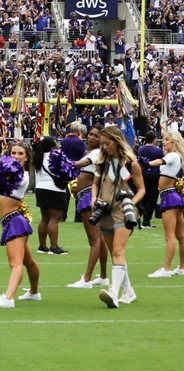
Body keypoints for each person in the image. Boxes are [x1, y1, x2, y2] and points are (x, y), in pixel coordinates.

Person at [93, 126, 145, 308]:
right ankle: (128, 290)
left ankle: (113, 293)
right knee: (115, 253)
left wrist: (131, 202)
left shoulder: (131, 163)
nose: (105, 147)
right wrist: (94, 198)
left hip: (124, 209)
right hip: (104, 208)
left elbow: (142, 189)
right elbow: (95, 183)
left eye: (107, 143)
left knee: (117, 250)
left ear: (117, 141)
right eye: (102, 144)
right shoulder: (101, 161)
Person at [0, 141, 41, 308]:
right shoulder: (11, 170)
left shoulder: (21, 175)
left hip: (14, 221)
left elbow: (6, 176)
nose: (16, 156)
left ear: (27, 157)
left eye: (20, 153)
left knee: (15, 263)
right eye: (13, 153)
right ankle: (34, 292)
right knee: (28, 262)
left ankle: (8, 298)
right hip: (12, 221)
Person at [67, 124, 110, 288]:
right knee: (100, 239)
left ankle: (87, 279)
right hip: (87, 195)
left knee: (94, 240)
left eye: (96, 136)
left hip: (88, 197)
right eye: (90, 134)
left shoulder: (97, 152)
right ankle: (104, 276)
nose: (92, 137)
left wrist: (67, 163)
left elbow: (84, 163)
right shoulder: (90, 150)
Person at [141, 129, 184, 278]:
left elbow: (160, 161)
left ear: (174, 142)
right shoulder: (177, 156)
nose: (163, 142)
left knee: (170, 236)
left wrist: (146, 162)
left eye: (166, 139)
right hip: (175, 196)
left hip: (169, 196)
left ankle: (166, 269)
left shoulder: (172, 155)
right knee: (181, 236)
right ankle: (181, 267)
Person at [32, 136, 69, 255]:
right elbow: (65, 172)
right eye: (56, 144)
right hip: (54, 190)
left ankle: (42, 246)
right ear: (53, 147)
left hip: (40, 189)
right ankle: (54, 247)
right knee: (54, 219)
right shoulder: (56, 156)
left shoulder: (39, 156)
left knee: (44, 218)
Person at [137, 131, 163, 228]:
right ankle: (146, 221)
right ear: (154, 139)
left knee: (142, 196)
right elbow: (162, 161)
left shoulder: (141, 149)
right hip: (154, 174)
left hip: (143, 174)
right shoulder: (159, 151)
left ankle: (138, 216)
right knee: (152, 199)